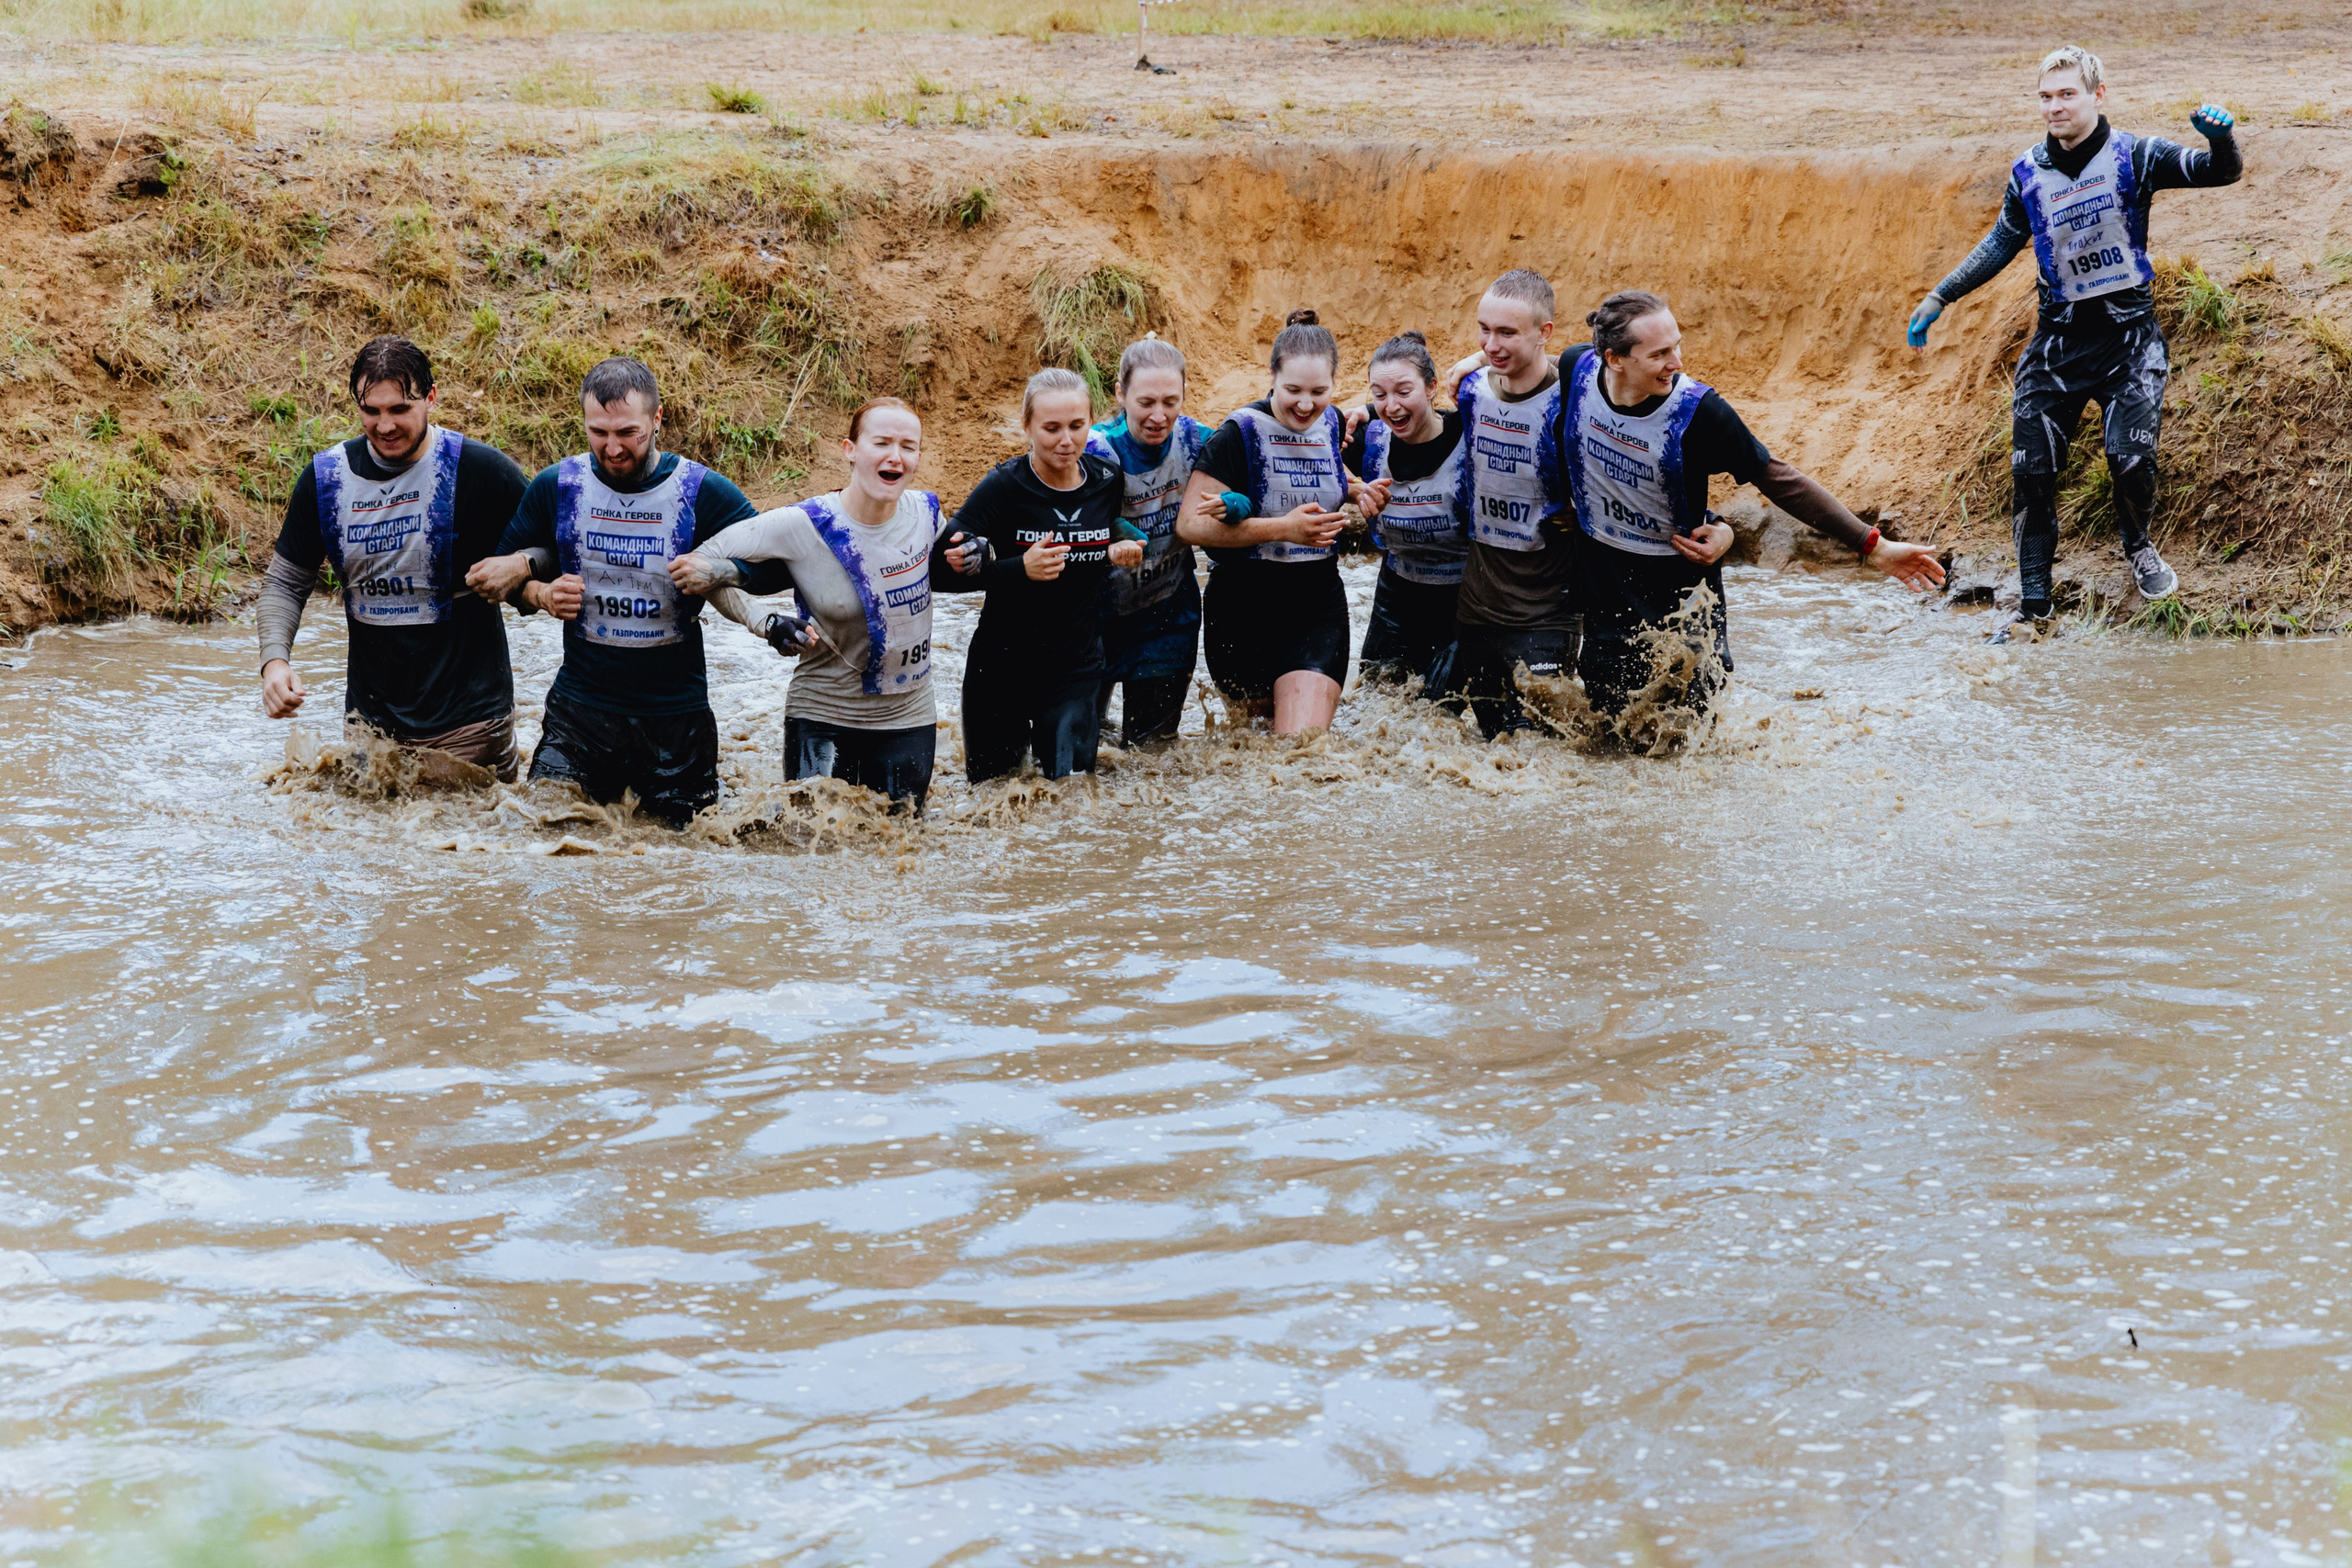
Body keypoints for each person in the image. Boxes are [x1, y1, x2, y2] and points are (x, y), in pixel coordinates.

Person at [1907, 46, 2242, 639]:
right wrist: (1939, 297)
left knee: (2129, 458)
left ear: (2098, 95)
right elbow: (1999, 244)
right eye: (2045, 96)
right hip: (2056, 347)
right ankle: (2034, 610)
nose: (2054, 106)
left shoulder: (2134, 156)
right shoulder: (2028, 172)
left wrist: (2222, 142)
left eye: (2066, 95)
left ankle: (2138, 546)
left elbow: (2220, 173)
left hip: (2129, 341)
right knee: (2032, 470)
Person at [1563, 290, 1946, 720]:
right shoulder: (1575, 371)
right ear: (1615, 359)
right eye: (1660, 354)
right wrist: (1471, 365)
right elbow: (1520, 371)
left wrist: (1873, 545)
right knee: (1607, 727)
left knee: (1689, 733)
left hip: (1681, 594)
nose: (1678, 362)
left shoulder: (1700, 412)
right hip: (1604, 585)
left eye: (1677, 345)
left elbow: (1778, 478)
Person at [466, 356, 758, 825]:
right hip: (580, 716)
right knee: (538, 826)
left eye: (628, 433)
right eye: (598, 433)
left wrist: (720, 570)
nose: (613, 448)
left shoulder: (702, 492)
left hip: (676, 721)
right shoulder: (558, 486)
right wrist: (541, 594)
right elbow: (509, 580)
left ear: (657, 419)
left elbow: (772, 566)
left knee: (687, 854)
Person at [665, 398, 985, 812]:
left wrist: (983, 552)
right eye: (882, 443)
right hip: (823, 713)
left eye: (908, 446)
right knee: (814, 844)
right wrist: (765, 622)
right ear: (850, 450)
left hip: (907, 715)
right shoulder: (805, 523)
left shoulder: (926, 513)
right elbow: (695, 566)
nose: (895, 456)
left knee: (899, 850)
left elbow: (962, 563)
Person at [256, 336, 530, 775]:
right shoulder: (327, 480)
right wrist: (275, 663)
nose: (385, 426)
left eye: (400, 409)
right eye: (372, 411)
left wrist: (520, 565)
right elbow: (285, 584)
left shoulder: (481, 471)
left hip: (471, 726)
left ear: (431, 398)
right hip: (370, 728)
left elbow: (558, 550)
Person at [938, 367, 1146, 784]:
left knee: (1069, 798)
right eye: (1051, 428)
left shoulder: (1107, 479)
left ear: (1091, 421)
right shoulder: (1003, 486)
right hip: (1000, 670)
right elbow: (938, 572)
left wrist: (1117, 549)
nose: (1066, 441)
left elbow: (1100, 537)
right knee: (993, 798)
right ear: (1027, 426)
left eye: (1076, 425)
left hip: (1075, 667)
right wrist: (1019, 569)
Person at [1175, 309, 1370, 736]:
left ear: (1335, 382)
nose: (1306, 404)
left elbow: (1326, 470)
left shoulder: (1332, 422)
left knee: (1300, 748)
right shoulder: (1239, 432)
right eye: (1293, 390)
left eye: (1320, 391)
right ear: (1272, 377)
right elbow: (1189, 524)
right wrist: (1284, 528)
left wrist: (1357, 489)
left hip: (1316, 603)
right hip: (1244, 609)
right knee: (1257, 749)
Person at [1447, 269, 1577, 739]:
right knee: (1493, 747)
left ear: (1545, 334)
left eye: (1506, 332)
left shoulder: (1574, 401)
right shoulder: (1471, 390)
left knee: (1540, 751)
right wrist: (1361, 413)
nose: (1490, 344)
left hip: (1549, 609)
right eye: (1483, 329)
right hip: (1478, 609)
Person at [1088, 337, 1212, 750]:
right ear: (1121, 394)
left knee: (1150, 756)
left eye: (1170, 402)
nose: (1159, 416)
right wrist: (1111, 529)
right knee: (1082, 756)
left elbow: (1254, 446)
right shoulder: (1093, 448)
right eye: (1146, 402)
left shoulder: (1196, 440)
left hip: (1167, 613)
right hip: (1095, 617)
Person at [1341, 330, 1470, 689]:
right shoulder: (1370, 438)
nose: (1391, 407)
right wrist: (1351, 488)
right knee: (1375, 702)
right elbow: (1308, 449)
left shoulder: (1469, 434)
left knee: (1442, 715)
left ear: (1431, 387)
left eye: (1403, 392)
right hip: (1396, 595)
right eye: (1379, 395)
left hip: (1463, 597)